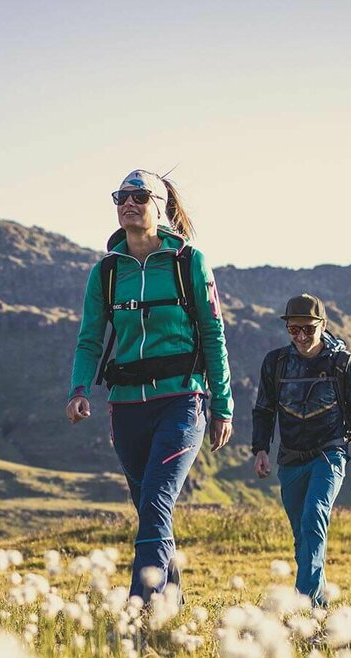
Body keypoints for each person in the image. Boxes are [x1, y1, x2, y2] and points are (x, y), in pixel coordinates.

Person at [66, 169, 234, 601]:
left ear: (161, 206)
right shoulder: (104, 273)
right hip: (125, 407)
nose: (129, 203)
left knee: (157, 503)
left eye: (140, 195)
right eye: (121, 195)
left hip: (182, 400)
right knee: (149, 511)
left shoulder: (189, 262)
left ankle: (140, 607)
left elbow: (213, 334)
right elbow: (90, 338)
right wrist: (79, 390)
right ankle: (170, 608)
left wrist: (223, 405)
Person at [251, 293, 351, 606]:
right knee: (302, 538)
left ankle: (302, 606)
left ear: (322, 325)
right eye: (294, 330)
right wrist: (261, 449)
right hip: (290, 460)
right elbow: (264, 409)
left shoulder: (342, 363)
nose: (301, 336)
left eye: (308, 329)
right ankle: (319, 607)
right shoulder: (275, 363)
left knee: (313, 519)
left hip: (329, 455)